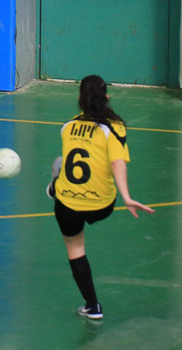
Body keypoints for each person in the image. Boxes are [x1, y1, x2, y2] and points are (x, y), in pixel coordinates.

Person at [46, 74, 154, 320]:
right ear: (106, 97)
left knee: (75, 247)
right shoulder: (114, 128)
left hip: (68, 205)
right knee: (82, 171)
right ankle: (56, 184)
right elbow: (117, 163)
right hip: (101, 205)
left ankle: (92, 306)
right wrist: (127, 197)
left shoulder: (67, 127)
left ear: (80, 99)